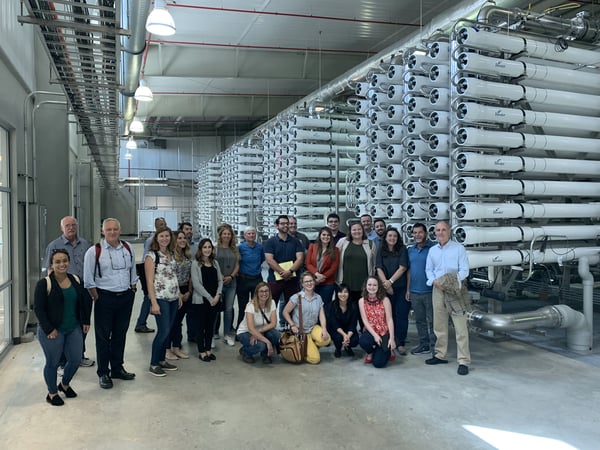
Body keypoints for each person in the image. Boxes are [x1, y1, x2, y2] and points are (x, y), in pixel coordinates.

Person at [83, 218, 138, 389]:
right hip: (104, 298)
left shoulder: (128, 248)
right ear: (103, 231)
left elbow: (133, 272)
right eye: (109, 230)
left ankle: (117, 368)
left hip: (125, 297)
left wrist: (132, 289)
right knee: (103, 337)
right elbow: (88, 279)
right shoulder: (94, 251)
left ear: (120, 230)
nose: (112, 232)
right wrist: (97, 297)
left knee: (120, 334)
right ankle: (103, 373)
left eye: (115, 229)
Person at [34, 249, 92, 405]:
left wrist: (86, 321)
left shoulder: (75, 280)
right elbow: (38, 309)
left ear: (69, 262)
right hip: (52, 330)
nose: (62, 264)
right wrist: (49, 329)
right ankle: (52, 393)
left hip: (73, 327)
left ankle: (64, 384)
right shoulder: (44, 284)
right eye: (57, 261)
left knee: (75, 359)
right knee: (52, 362)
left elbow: (84, 302)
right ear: (51, 264)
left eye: (65, 260)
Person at [44, 215, 94, 367]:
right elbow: (49, 270)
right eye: (67, 226)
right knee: (66, 323)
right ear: (62, 228)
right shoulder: (54, 245)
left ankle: (78, 355)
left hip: (84, 289)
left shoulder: (84, 243)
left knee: (83, 323)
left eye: (73, 225)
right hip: (65, 290)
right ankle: (62, 361)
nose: (71, 228)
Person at [425, 220, 471, 376]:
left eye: (443, 229)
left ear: (449, 231)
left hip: (455, 290)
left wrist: (451, 282)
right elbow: (429, 270)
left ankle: (463, 361)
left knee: (460, 326)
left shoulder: (459, 249)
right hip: (437, 290)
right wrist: (435, 282)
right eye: (437, 230)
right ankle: (440, 354)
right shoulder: (432, 251)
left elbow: (465, 270)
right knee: (439, 324)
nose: (440, 232)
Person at [146, 227, 182, 377]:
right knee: (163, 331)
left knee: (169, 330)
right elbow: (149, 281)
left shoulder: (172, 254)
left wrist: (179, 294)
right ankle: (154, 363)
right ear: (156, 238)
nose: (164, 239)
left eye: (167, 236)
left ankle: (162, 360)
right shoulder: (152, 256)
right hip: (161, 298)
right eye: (161, 236)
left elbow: (174, 276)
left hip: (173, 297)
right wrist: (153, 302)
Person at [263, 215, 304, 326]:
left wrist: (289, 272)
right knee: (271, 306)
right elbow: (269, 260)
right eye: (282, 223)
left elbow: (300, 258)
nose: (285, 225)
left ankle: (291, 330)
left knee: (293, 305)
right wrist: (283, 272)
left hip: (292, 280)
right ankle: (269, 329)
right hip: (275, 280)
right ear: (277, 225)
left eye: (287, 223)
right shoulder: (270, 242)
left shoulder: (296, 242)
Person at [282, 272, 331, 364]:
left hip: (313, 328)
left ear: (314, 281)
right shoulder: (296, 297)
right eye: (306, 281)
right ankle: (305, 347)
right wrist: (292, 325)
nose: (309, 283)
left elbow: (322, 315)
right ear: (302, 284)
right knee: (315, 360)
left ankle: (309, 345)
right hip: (301, 332)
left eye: (311, 281)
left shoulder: (318, 298)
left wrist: (324, 329)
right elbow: (285, 312)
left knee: (326, 339)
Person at [376, 227, 410, 356]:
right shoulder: (381, 250)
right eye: (390, 236)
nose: (392, 238)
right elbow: (378, 268)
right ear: (385, 237)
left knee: (401, 315)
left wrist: (390, 282)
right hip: (385, 289)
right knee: (386, 316)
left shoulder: (402, 249)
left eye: (395, 236)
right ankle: (389, 341)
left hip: (400, 288)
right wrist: (386, 284)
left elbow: (403, 268)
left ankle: (400, 342)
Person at [190, 238, 223, 362]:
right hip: (201, 301)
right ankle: (201, 351)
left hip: (214, 300)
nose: (207, 249)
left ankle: (208, 349)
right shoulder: (195, 264)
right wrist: (210, 298)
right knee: (200, 326)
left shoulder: (215, 263)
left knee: (211, 326)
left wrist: (218, 295)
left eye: (209, 247)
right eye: (205, 247)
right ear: (200, 249)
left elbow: (220, 280)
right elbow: (196, 284)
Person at [406, 223, 435, 355]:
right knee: (420, 320)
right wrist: (408, 289)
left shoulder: (433, 249)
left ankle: (436, 347)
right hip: (415, 291)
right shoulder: (410, 251)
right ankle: (424, 344)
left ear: (426, 234)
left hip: (430, 291)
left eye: (420, 232)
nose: (417, 235)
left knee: (433, 321)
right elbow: (409, 271)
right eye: (415, 233)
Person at [134, 217, 166, 334]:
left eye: (164, 224)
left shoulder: (165, 240)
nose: (163, 226)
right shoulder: (151, 241)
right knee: (148, 297)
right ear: (156, 226)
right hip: (148, 271)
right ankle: (141, 323)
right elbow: (147, 258)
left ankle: (141, 323)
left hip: (158, 273)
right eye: (160, 224)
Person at [236, 282, 280, 364]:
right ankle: (245, 352)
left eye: (266, 291)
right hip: (246, 332)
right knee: (261, 345)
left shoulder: (272, 302)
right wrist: (268, 342)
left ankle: (265, 354)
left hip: (261, 330)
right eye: (261, 291)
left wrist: (259, 332)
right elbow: (251, 329)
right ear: (257, 293)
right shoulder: (250, 306)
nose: (264, 293)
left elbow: (273, 323)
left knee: (276, 334)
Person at [165, 230, 193, 360]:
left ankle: (176, 347)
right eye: (179, 238)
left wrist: (189, 291)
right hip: (174, 291)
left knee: (178, 322)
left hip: (186, 289)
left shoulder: (187, 255)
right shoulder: (171, 256)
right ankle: (167, 349)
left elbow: (191, 275)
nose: (182, 240)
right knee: (172, 322)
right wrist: (179, 294)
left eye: (184, 238)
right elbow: (171, 275)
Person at [358, 276, 395, 369]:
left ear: (378, 287)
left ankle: (388, 350)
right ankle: (370, 352)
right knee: (363, 341)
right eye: (369, 285)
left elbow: (390, 320)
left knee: (378, 363)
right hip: (371, 332)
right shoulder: (361, 301)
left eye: (375, 285)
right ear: (365, 286)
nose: (372, 287)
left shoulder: (385, 300)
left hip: (384, 333)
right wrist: (375, 335)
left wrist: (391, 338)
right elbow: (365, 321)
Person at [336, 221, 375, 304]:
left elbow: (374, 264)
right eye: (354, 230)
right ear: (350, 231)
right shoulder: (342, 242)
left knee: (362, 310)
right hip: (345, 283)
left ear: (363, 230)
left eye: (359, 229)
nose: (357, 231)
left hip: (364, 285)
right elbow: (335, 260)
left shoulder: (370, 244)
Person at [214, 223, 240, 346]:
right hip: (218, 283)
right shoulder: (215, 248)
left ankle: (227, 334)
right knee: (216, 309)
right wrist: (220, 277)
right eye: (224, 234)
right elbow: (212, 264)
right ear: (220, 235)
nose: (226, 236)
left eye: (229, 234)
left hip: (231, 282)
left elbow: (237, 265)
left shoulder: (235, 249)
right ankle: (213, 333)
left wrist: (231, 276)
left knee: (229, 309)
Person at [236, 227, 265, 329]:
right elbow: (237, 262)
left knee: (256, 305)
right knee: (243, 306)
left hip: (256, 279)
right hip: (243, 280)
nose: (251, 235)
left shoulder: (260, 247)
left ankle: (256, 327)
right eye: (249, 233)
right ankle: (241, 328)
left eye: (253, 233)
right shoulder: (240, 248)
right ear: (245, 236)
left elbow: (261, 259)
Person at [305, 227, 339, 307]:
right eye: (324, 235)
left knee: (325, 307)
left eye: (328, 235)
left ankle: (324, 320)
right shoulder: (312, 247)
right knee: (312, 306)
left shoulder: (335, 250)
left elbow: (334, 267)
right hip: (312, 282)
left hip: (327, 283)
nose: (326, 237)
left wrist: (321, 278)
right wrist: (316, 274)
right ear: (320, 236)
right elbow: (308, 263)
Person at [326, 284, 358, 358]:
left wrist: (347, 336)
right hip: (336, 330)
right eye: (340, 292)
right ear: (337, 293)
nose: (343, 294)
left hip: (348, 330)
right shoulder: (331, 306)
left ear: (349, 293)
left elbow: (353, 324)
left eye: (345, 292)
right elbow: (334, 324)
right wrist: (344, 335)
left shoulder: (354, 306)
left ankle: (347, 347)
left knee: (354, 341)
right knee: (338, 338)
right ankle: (338, 349)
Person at [179, 222, 197, 342]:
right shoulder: (174, 252)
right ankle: (176, 341)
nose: (189, 231)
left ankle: (192, 335)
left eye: (190, 229)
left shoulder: (195, 247)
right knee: (177, 317)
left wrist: (190, 291)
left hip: (191, 285)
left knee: (192, 313)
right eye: (186, 229)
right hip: (177, 288)